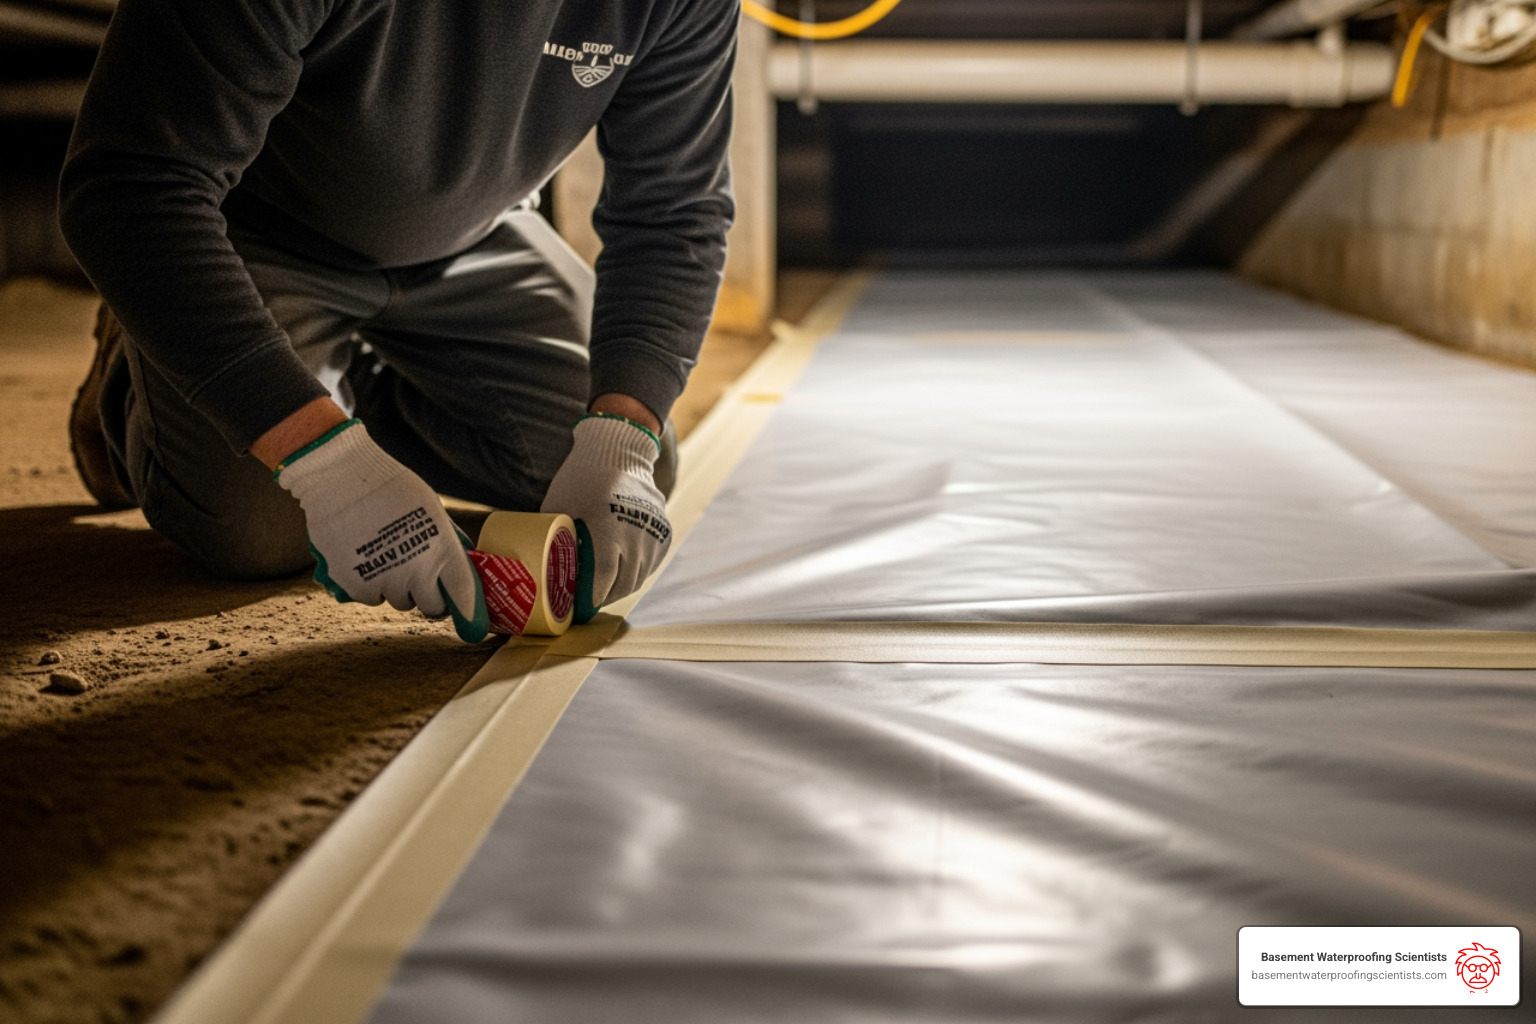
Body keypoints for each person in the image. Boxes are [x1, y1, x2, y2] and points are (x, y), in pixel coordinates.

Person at [59, 0, 737, 642]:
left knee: (619, 470)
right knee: (258, 531)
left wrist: (623, 439)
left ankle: (327, 393)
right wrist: (321, 465)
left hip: (472, 237)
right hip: (254, 236)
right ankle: (138, 364)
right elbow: (129, 184)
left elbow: (674, 212)